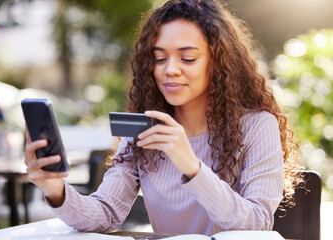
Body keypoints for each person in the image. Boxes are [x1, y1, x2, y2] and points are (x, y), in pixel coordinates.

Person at [24, 0, 303, 236]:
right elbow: (105, 214)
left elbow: (257, 226)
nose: (170, 70)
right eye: (159, 58)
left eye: (187, 59)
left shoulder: (256, 126)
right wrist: (56, 189)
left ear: (219, 62)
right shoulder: (144, 131)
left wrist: (190, 165)